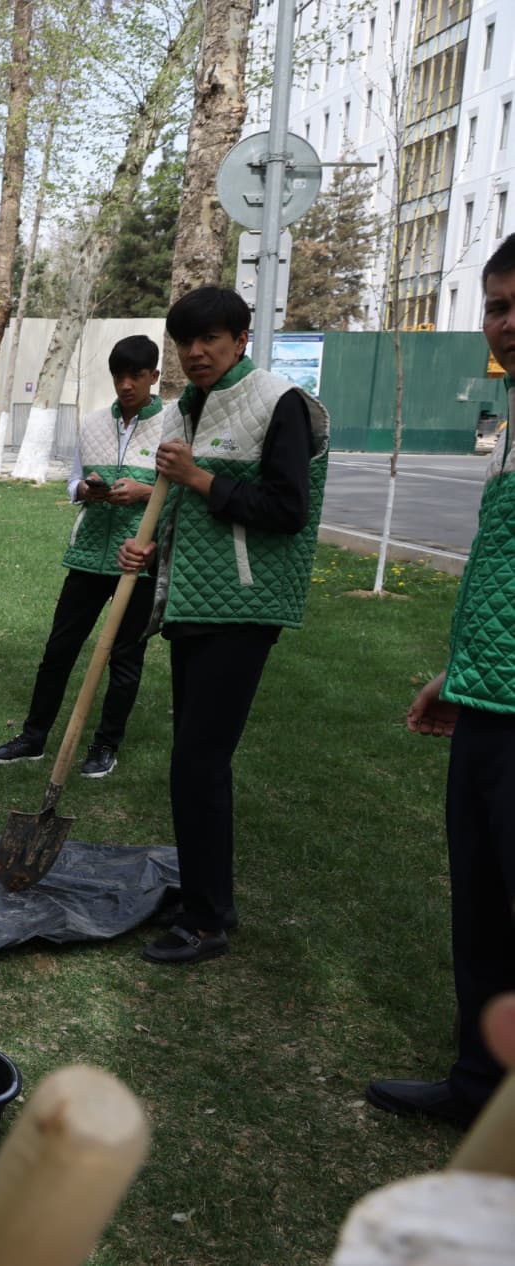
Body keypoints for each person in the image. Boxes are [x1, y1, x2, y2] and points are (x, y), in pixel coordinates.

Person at [117, 287, 328, 966]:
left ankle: (208, 921)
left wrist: (201, 481)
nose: (196, 352)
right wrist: (152, 544)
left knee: (199, 762)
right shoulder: (192, 404)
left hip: (244, 606)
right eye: (186, 342)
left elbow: (288, 508)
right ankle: (204, 893)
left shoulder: (278, 402)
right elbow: (188, 500)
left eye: (210, 338)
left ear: (241, 338)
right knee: (194, 761)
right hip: (193, 603)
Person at [368, 235, 515, 1128]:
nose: (504, 323)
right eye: (497, 306)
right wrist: (460, 674)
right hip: (492, 707)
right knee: (484, 912)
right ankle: (480, 1089)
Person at [0, 336, 174, 779]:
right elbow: (72, 484)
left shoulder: (172, 426)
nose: (126, 385)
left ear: (154, 377)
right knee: (59, 650)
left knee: (124, 658)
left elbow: (186, 495)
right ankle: (34, 736)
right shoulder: (92, 424)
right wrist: (86, 490)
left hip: (139, 559)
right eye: (118, 376)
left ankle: (105, 745)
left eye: (136, 376)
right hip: (89, 554)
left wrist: (147, 493)